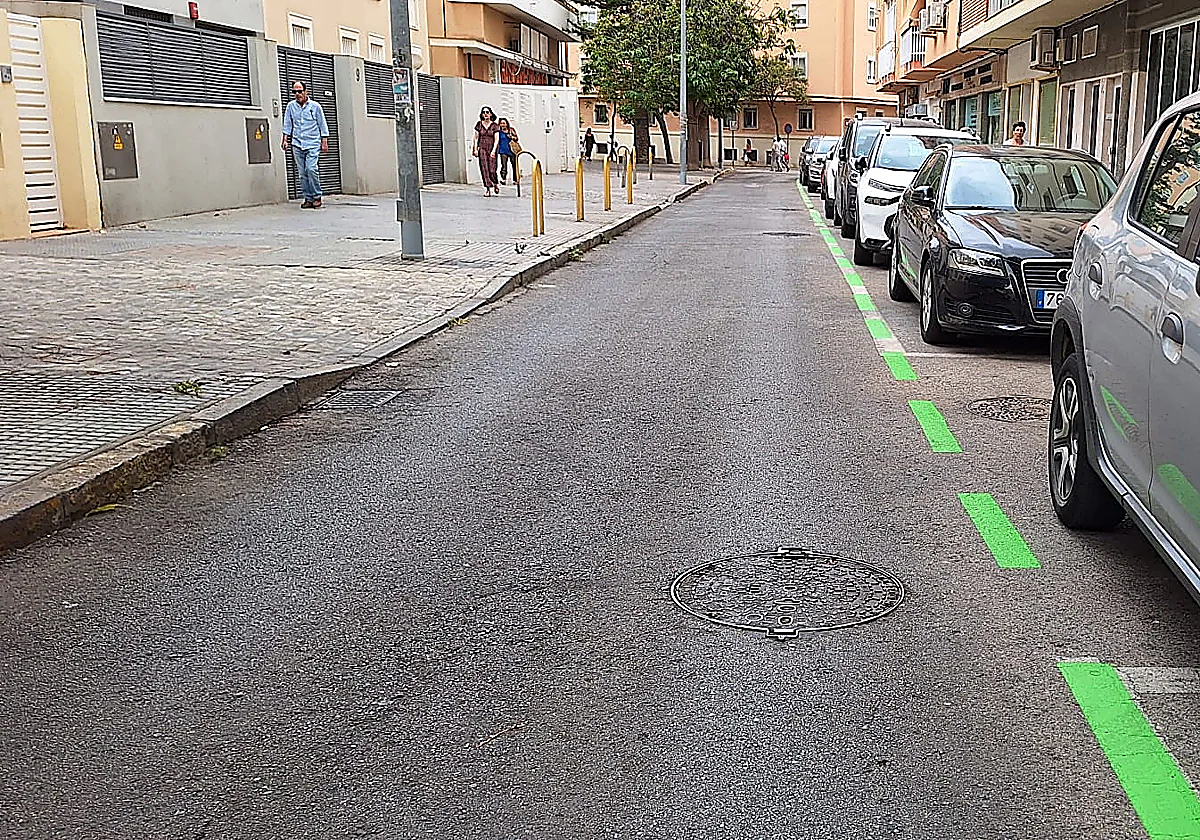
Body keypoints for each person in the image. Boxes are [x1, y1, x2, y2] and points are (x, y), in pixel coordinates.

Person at [281, 81, 330, 209]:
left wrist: (324, 142)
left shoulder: (315, 107)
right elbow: (287, 124)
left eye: (300, 91)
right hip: (297, 143)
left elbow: (322, 124)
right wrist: (285, 139)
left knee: (311, 168)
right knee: (302, 173)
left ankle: (317, 196)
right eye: (294, 92)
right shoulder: (291, 107)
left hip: (313, 143)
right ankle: (308, 198)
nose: (297, 94)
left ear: (305, 91)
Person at [472, 106, 500, 196]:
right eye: (484, 112)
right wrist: (475, 149)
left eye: (487, 112)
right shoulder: (479, 124)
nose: (485, 114)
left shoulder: (495, 125)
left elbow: (496, 139)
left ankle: (495, 183)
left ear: (491, 114)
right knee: (484, 168)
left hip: (492, 148)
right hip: (482, 148)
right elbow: (476, 138)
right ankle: (487, 189)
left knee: (492, 169)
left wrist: (494, 150)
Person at [497, 118, 519, 186]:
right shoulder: (499, 132)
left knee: (514, 165)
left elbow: (516, 138)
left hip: (512, 150)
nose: (503, 125)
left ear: (507, 124)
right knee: (504, 166)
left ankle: (515, 179)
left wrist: (511, 137)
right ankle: (503, 179)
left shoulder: (511, 130)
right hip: (503, 150)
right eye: (501, 123)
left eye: (504, 123)